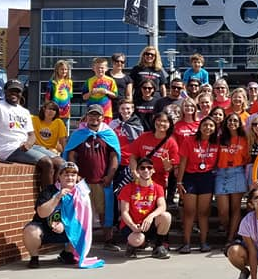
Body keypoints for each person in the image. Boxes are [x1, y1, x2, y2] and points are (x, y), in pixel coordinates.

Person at [66, 105, 120, 251]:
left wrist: (109, 176)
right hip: (82, 182)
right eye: (91, 115)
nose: (94, 118)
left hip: (102, 181)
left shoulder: (109, 134)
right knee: (81, 211)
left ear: (103, 117)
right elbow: (71, 154)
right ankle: (80, 242)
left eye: (98, 116)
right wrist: (75, 175)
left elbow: (114, 156)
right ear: (86, 117)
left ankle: (108, 240)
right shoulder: (79, 134)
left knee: (105, 211)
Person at [22, 161, 79, 268]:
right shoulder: (49, 191)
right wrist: (57, 197)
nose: (70, 178)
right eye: (66, 175)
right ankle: (34, 257)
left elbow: (82, 216)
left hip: (67, 229)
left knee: (83, 227)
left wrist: (64, 224)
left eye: (73, 175)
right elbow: (41, 213)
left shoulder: (80, 193)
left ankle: (67, 254)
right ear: (59, 176)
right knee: (30, 231)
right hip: (45, 228)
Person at [176, 116, 219, 253]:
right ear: (200, 127)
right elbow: (182, 162)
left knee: (203, 213)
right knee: (189, 212)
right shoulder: (189, 140)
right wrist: (179, 181)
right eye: (205, 125)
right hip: (190, 177)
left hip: (207, 178)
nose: (208, 128)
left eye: (211, 126)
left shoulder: (217, 142)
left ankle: (203, 242)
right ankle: (186, 243)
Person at [118, 156, 172, 259]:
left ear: (153, 170)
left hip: (148, 224)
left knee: (166, 216)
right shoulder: (127, 188)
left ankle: (158, 246)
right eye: (142, 168)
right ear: (137, 171)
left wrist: (151, 216)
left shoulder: (158, 187)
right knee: (137, 239)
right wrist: (132, 226)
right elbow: (124, 211)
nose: (146, 170)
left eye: (149, 167)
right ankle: (132, 246)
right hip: (131, 225)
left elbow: (162, 206)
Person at [215, 113, 250, 244]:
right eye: (230, 120)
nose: (232, 123)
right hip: (221, 173)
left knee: (235, 208)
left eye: (235, 120)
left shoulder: (244, 139)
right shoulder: (220, 138)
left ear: (240, 123)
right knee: (223, 210)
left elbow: (247, 158)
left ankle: (230, 238)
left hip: (237, 172)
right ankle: (231, 231)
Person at [83, 57, 117, 123]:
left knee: (104, 131)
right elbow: (84, 97)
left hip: (106, 113)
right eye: (97, 68)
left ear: (106, 69)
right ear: (93, 69)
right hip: (92, 113)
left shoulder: (111, 81)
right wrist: (91, 92)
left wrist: (106, 91)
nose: (100, 69)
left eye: (102, 68)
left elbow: (115, 95)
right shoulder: (89, 81)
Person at [47, 60, 73, 124]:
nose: (64, 71)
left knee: (64, 132)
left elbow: (69, 97)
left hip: (66, 113)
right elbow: (47, 98)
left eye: (66, 69)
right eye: (62, 69)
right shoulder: (52, 82)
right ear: (57, 70)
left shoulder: (69, 82)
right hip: (55, 112)